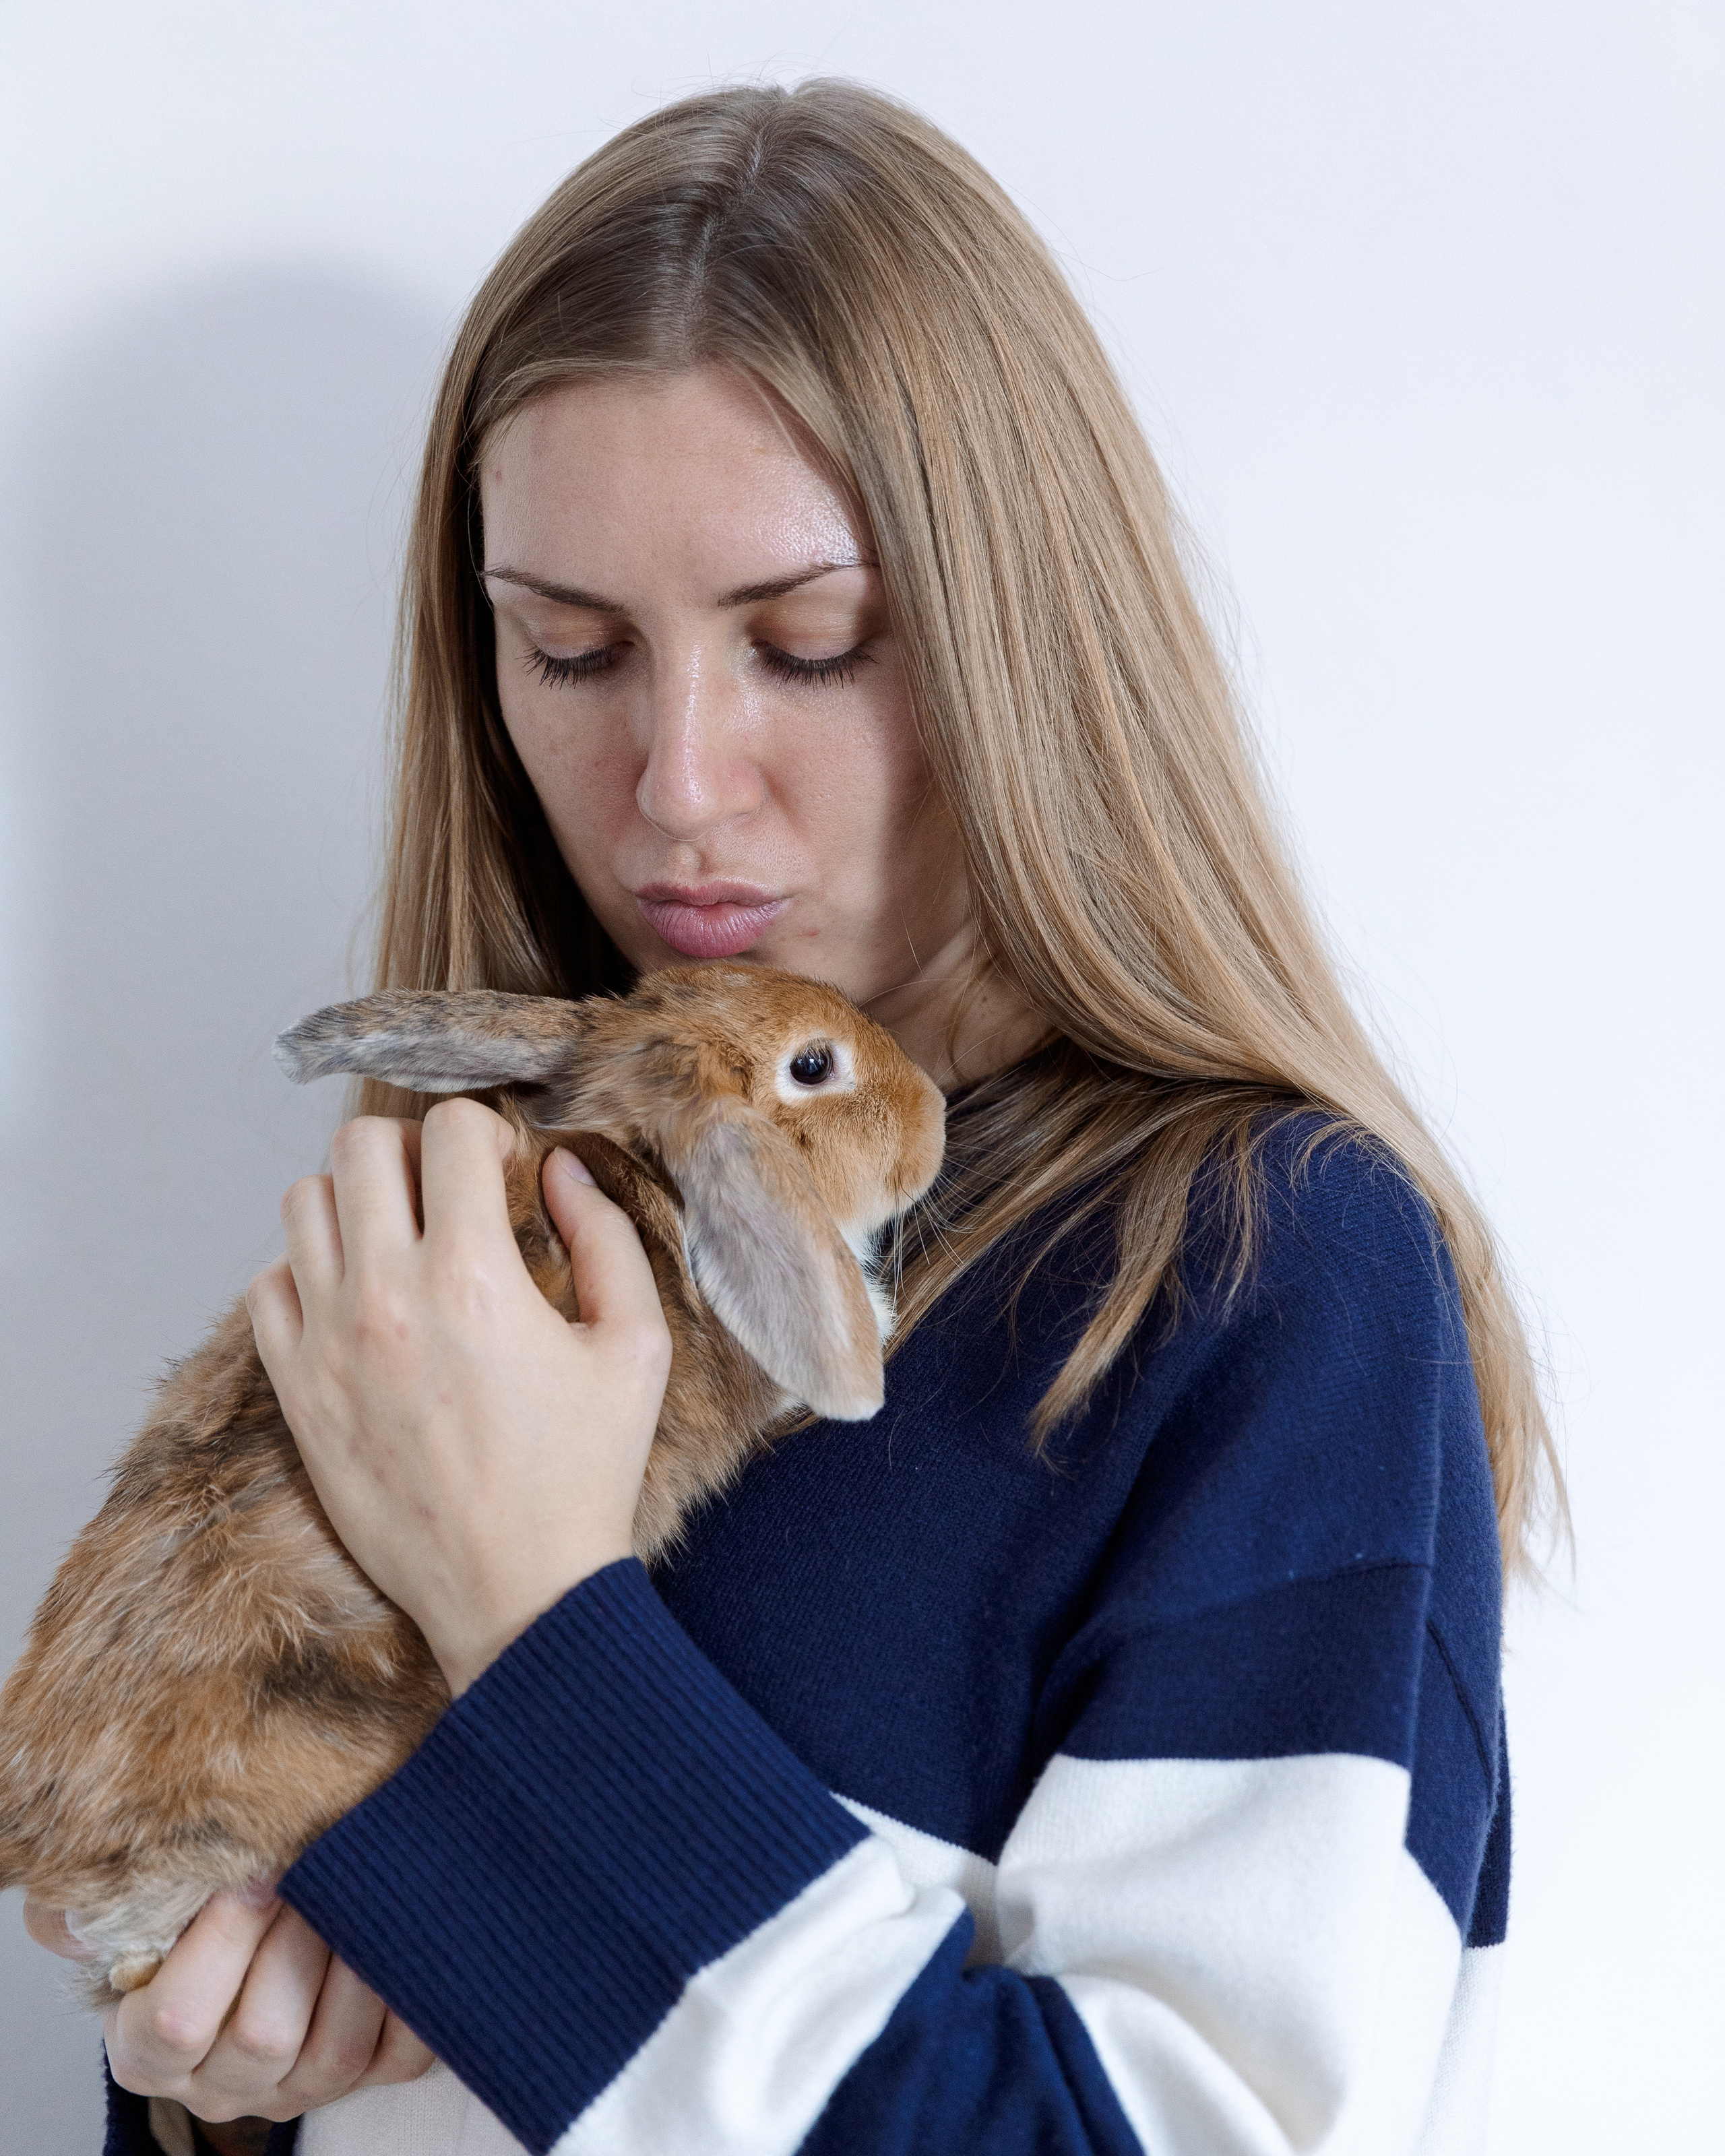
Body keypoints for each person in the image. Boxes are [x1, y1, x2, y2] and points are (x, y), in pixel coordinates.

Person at [30, 78, 1556, 2156]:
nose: (677, 784)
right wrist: (222, 2099)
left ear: (1020, 644)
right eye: (572, 649)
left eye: (811, 646)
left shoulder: (1263, 1285)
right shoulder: (475, 1269)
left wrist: (529, 1612)